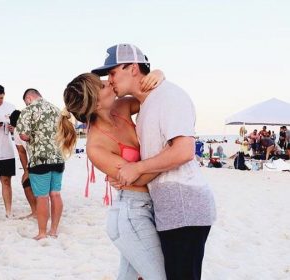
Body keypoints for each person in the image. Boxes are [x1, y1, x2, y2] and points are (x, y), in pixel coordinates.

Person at [92, 43, 216, 280]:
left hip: (185, 207)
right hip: (166, 209)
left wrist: (136, 169)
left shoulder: (169, 96)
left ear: (133, 68)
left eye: (113, 72)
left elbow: (184, 151)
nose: (110, 80)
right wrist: (128, 176)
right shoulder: (147, 103)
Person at [57, 71, 167, 279]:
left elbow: (154, 97)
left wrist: (159, 75)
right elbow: (139, 181)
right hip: (131, 215)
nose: (109, 82)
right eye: (102, 85)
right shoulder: (96, 146)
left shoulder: (122, 106)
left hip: (148, 208)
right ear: (96, 105)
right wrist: (171, 157)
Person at [16, 89, 64, 240]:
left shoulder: (28, 110)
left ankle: (42, 232)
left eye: (26, 101)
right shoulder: (56, 109)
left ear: (29, 98)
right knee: (55, 194)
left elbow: (23, 135)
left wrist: (31, 137)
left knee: (42, 197)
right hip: (58, 158)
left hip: (39, 159)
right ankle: (54, 230)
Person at [0, 84, 16, 218]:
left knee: (6, 181)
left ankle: (9, 212)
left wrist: (13, 128)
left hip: (7, 151)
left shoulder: (10, 107)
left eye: (1, 98)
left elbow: (19, 126)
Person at [9, 110, 37, 219]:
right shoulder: (16, 132)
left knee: (39, 185)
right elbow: (21, 152)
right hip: (32, 162)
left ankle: (42, 211)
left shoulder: (33, 128)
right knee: (25, 181)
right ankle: (35, 211)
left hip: (43, 159)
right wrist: (26, 170)